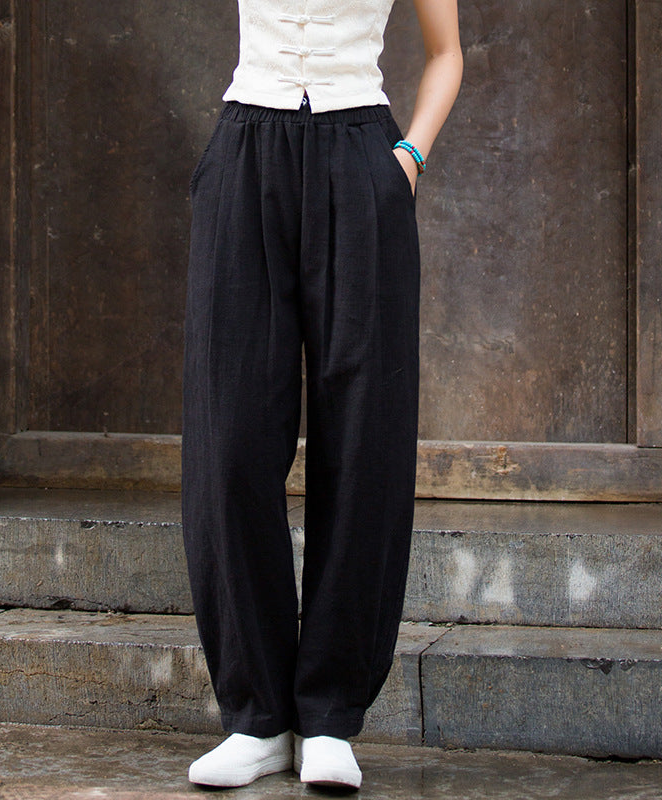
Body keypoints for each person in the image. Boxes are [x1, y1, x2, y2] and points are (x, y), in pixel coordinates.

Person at [180, 0, 462, 790]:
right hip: (247, 148)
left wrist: (407, 159)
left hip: (361, 154)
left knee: (366, 435)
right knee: (230, 439)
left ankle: (331, 715)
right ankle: (257, 716)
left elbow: (447, 53)